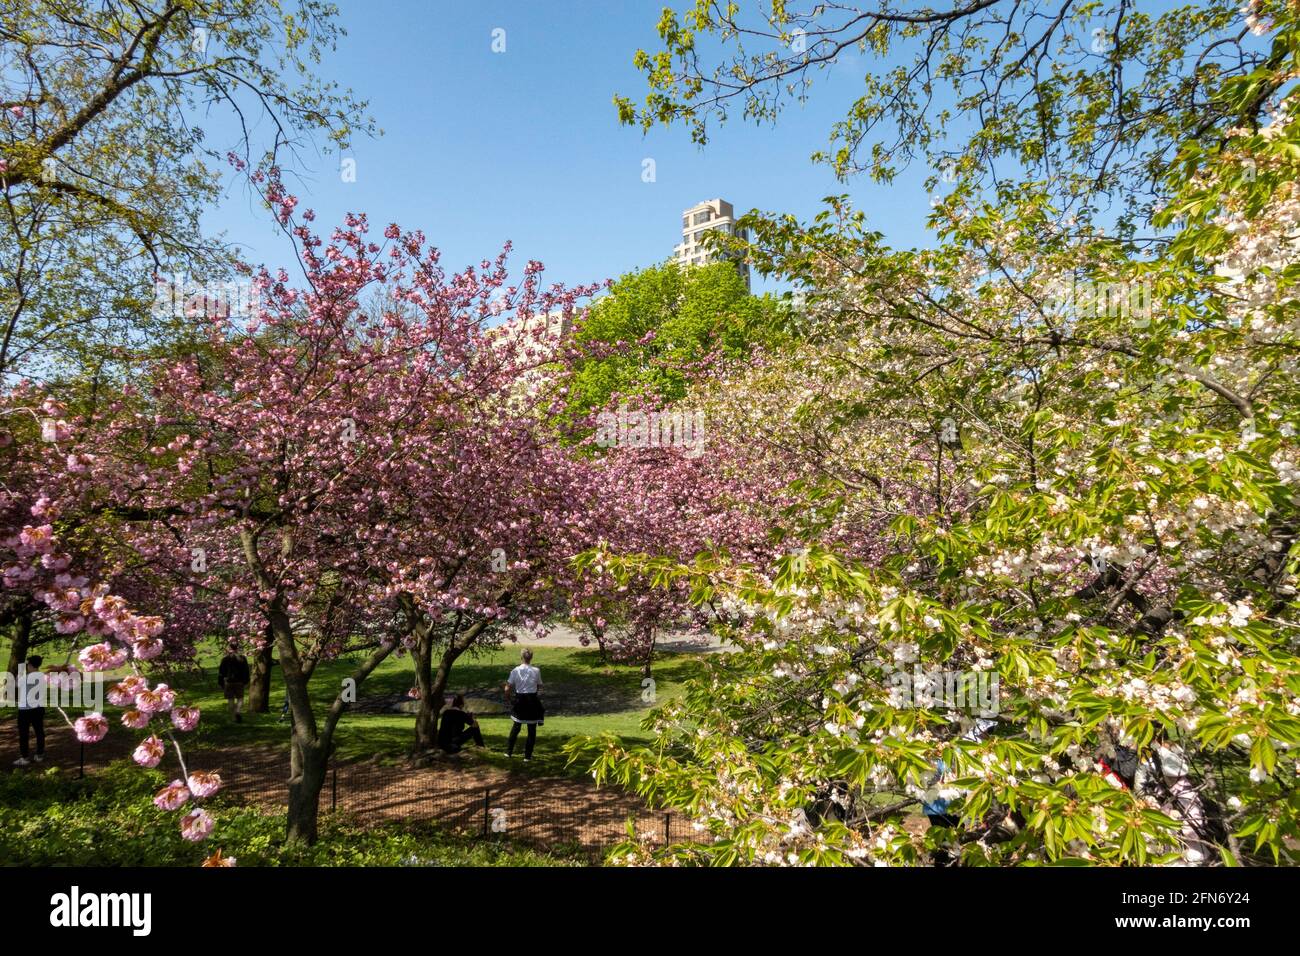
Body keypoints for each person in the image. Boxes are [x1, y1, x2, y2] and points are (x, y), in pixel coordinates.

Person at [503, 648, 544, 761]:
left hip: (520, 700)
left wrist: (508, 698)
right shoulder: (536, 670)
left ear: (521, 657)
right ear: (531, 658)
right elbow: (540, 686)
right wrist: (538, 696)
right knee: (531, 729)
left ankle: (508, 752)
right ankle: (527, 756)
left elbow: (507, 687)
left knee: (516, 727)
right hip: (531, 700)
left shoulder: (515, 671)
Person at [13, 655, 46, 767]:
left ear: (30, 665)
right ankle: (39, 754)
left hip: (25, 710)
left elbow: (16, 684)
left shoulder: (24, 678)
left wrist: (21, 671)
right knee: (39, 731)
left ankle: (25, 757)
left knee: (24, 734)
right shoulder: (43, 676)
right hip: (39, 708)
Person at [217, 645, 251, 723]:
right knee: (240, 698)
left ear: (229, 649)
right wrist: (246, 681)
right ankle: (238, 711)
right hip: (239, 682)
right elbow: (246, 671)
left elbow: (221, 672)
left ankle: (233, 717)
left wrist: (220, 683)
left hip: (229, 682)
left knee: (230, 700)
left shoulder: (225, 659)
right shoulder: (242, 658)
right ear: (237, 649)